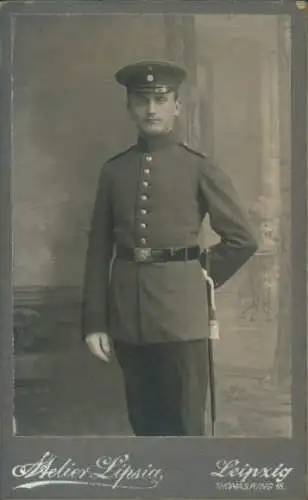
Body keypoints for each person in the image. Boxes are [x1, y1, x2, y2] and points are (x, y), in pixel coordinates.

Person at [82, 60, 258, 437]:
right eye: (142, 100)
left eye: (161, 99)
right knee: (144, 425)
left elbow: (243, 239)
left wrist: (200, 278)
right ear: (129, 107)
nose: (151, 109)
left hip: (182, 318)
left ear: (176, 106)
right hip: (129, 320)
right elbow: (99, 250)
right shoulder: (115, 171)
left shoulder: (198, 168)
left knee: (183, 427)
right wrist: (95, 322)